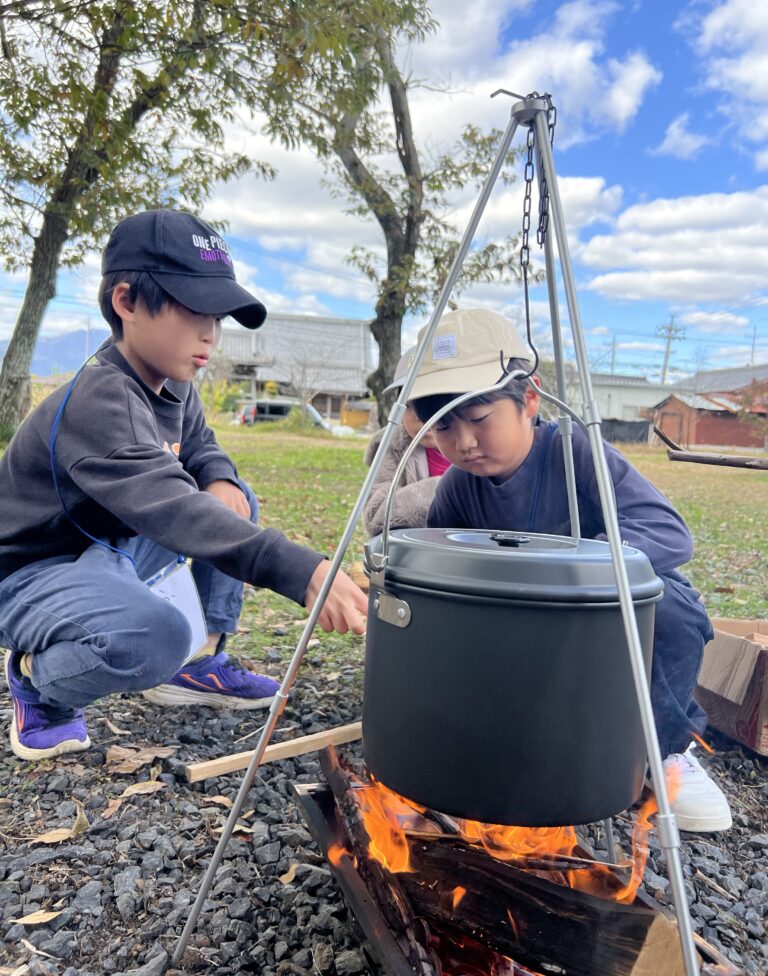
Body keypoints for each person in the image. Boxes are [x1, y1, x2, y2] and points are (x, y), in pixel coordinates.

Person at [0, 209, 367, 762]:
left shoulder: (173, 380)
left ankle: (200, 663)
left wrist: (219, 478)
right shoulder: (100, 399)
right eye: (195, 311)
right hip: (31, 572)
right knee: (155, 636)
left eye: (219, 317)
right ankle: (39, 680)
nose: (210, 335)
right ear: (126, 302)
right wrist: (299, 567)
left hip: (107, 548)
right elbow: (173, 507)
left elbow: (200, 448)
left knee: (234, 498)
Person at [408, 307, 732, 833]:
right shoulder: (457, 487)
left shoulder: (573, 451)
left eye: (479, 419)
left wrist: (580, 565)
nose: (464, 442)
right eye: (444, 426)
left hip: (591, 619)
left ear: (530, 400)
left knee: (670, 606)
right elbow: (435, 575)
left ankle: (666, 750)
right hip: (516, 636)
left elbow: (669, 532)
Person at [363, 348, 451, 536]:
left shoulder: (478, 446)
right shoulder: (391, 445)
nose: (422, 416)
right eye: (411, 405)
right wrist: (449, 490)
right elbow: (376, 512)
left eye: (434, 404)